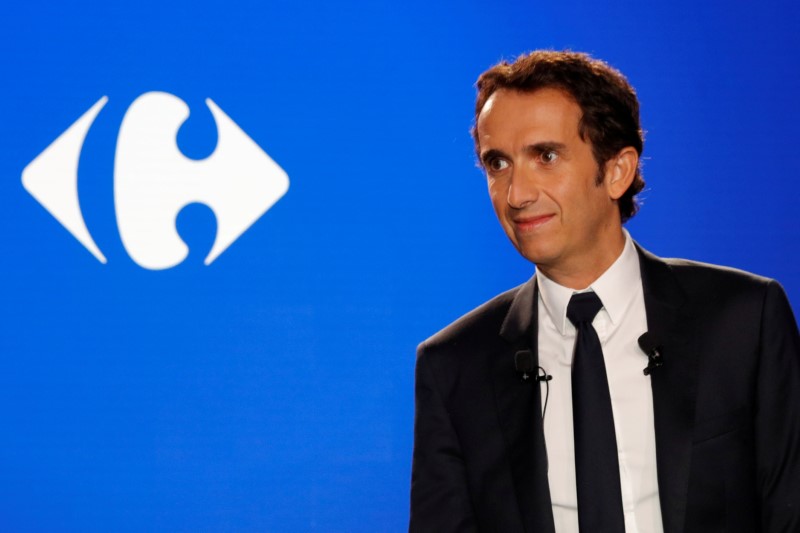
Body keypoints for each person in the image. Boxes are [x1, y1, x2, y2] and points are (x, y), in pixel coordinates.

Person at [409, 50, 800, 533]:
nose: (516, 194)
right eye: (497, 163)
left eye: (545, 156)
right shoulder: (454, 365)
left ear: (617, 171)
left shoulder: (744, 320)